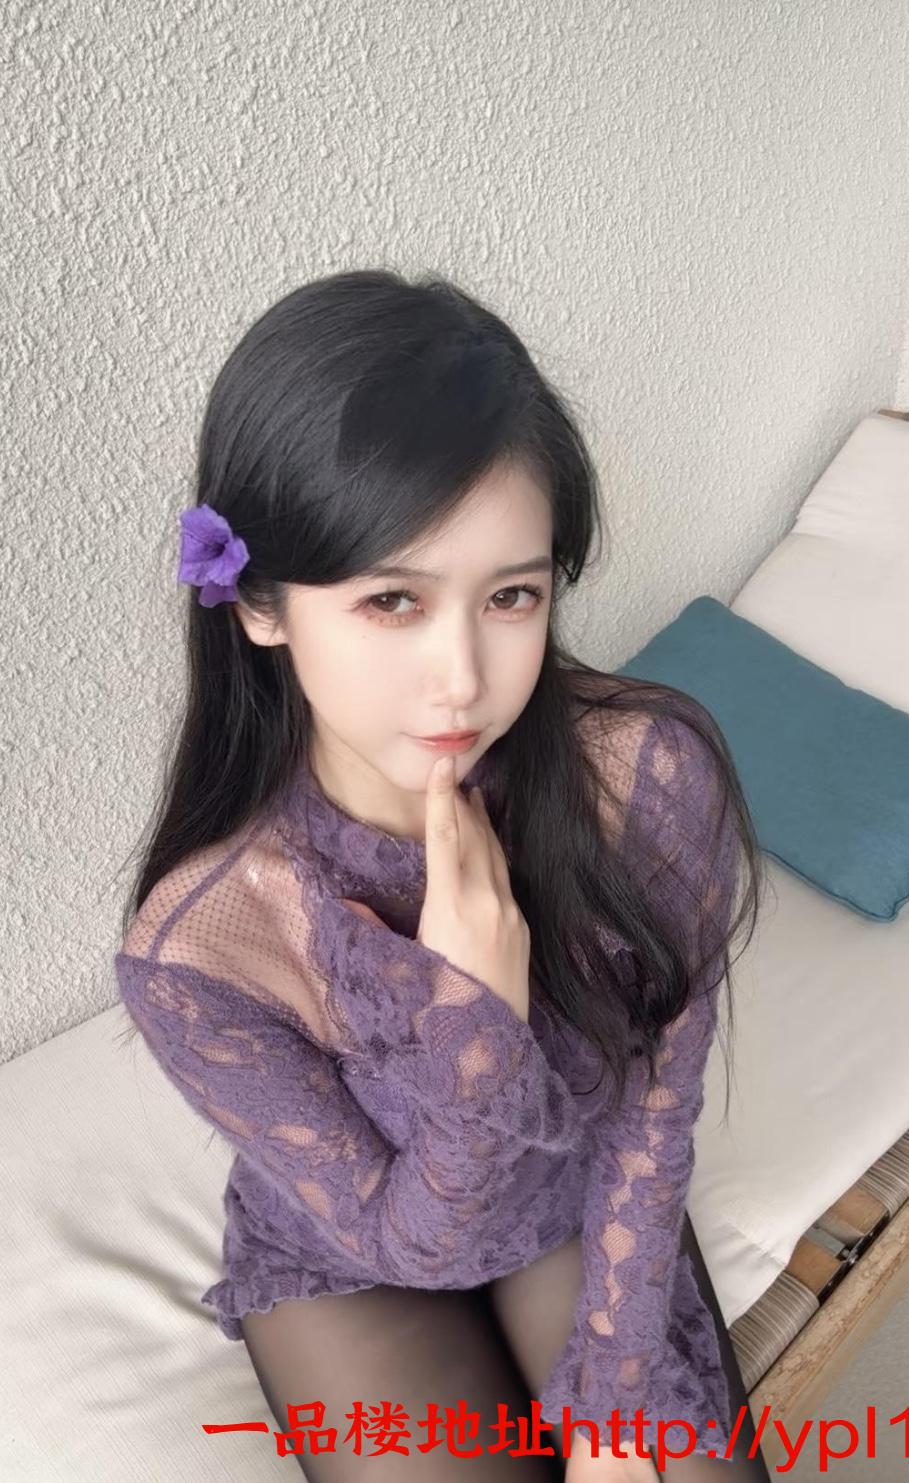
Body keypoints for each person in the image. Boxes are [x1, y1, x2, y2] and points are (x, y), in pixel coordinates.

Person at [112, 269, 769, 1481]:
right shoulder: (202, 945)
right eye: (392, 601)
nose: (462, 676)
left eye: (511, 595)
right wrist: (475, 1012)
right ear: (259, 604)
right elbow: (411, 1241)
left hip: (571, 1186)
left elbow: (654, 1097)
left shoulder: (642, 775)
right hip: (358, 1253)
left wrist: (616, 1403)